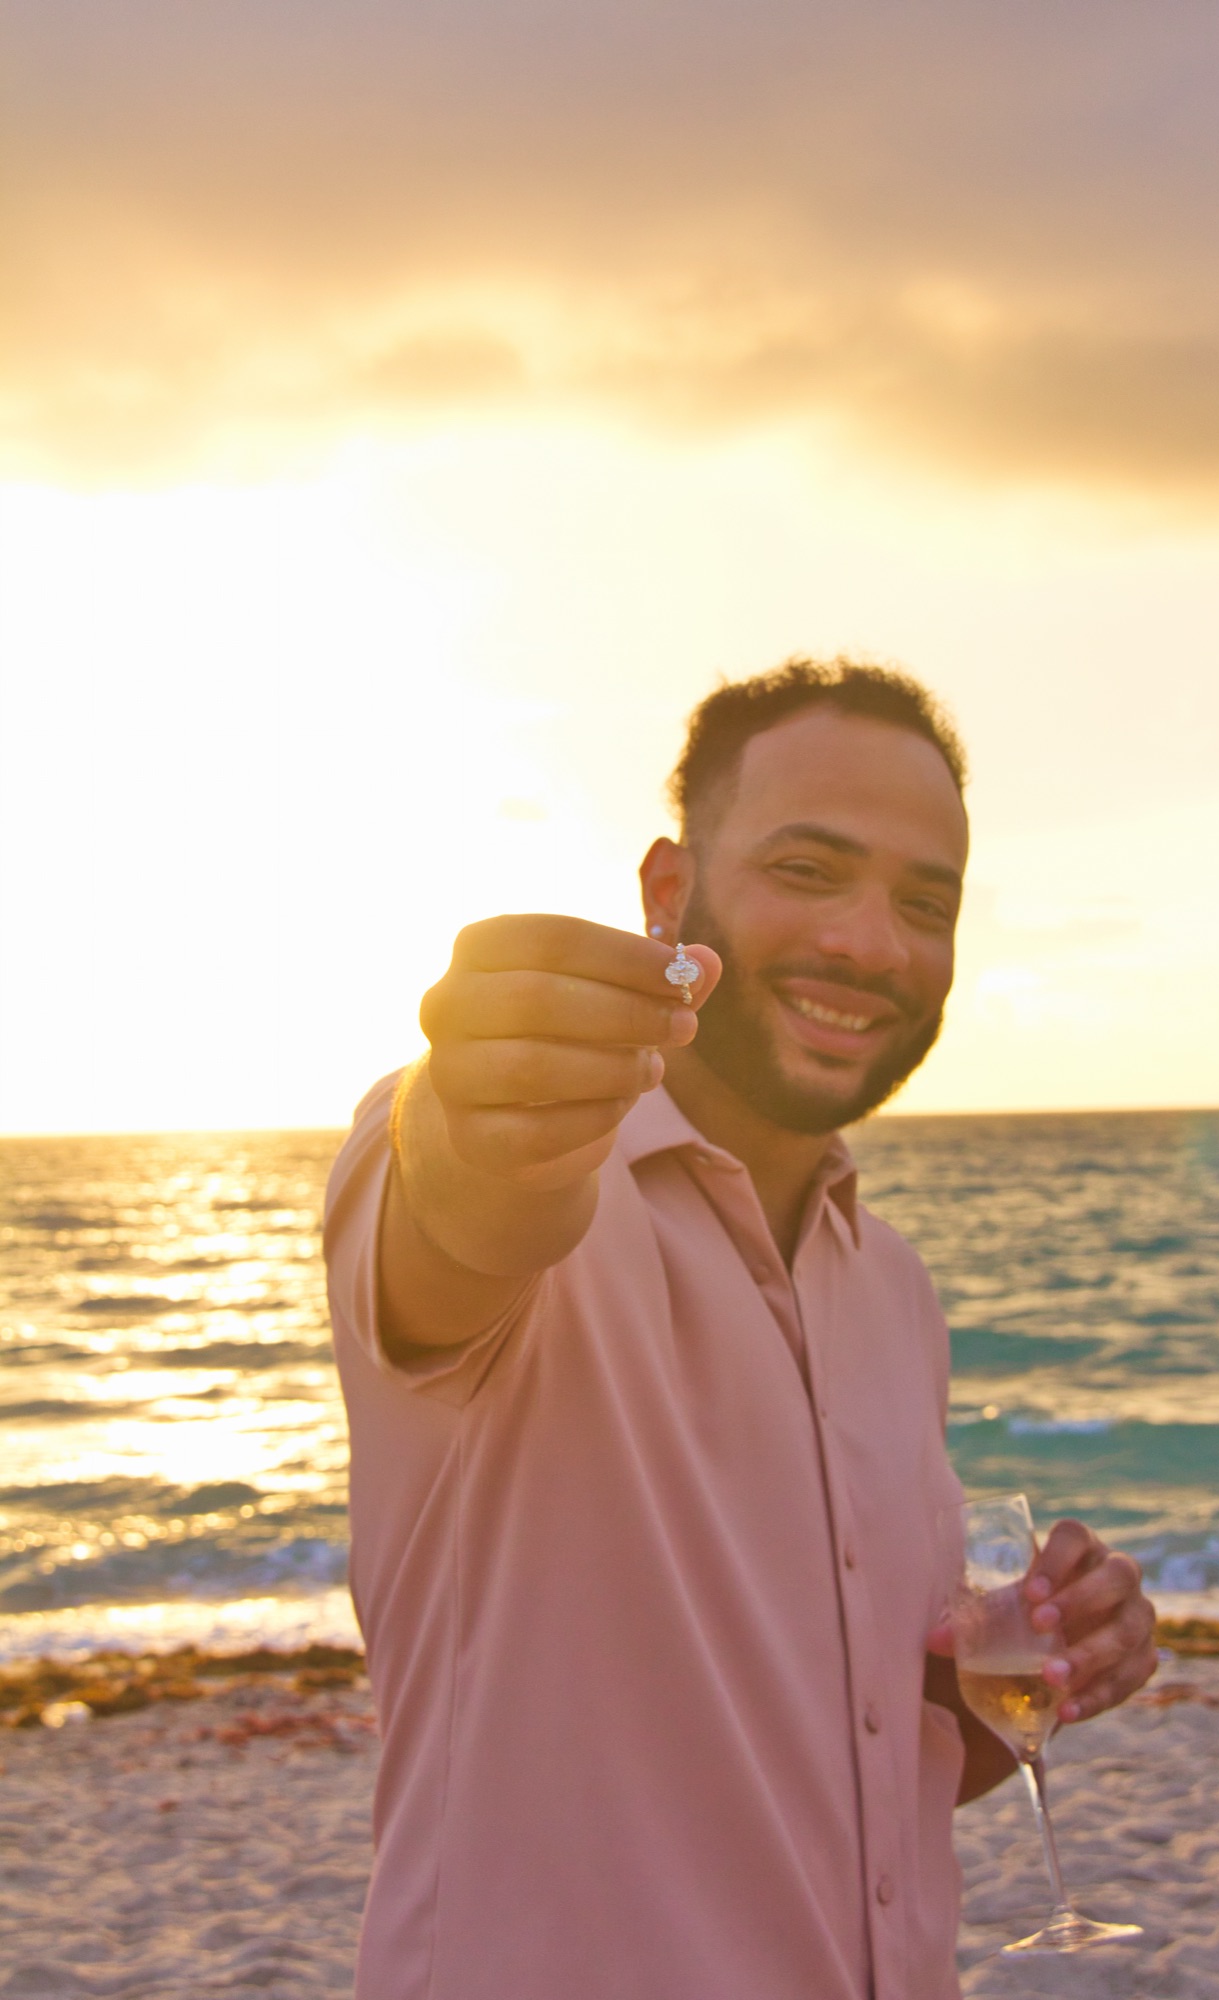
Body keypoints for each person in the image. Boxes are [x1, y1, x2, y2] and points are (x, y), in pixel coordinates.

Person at [324, 657, 1156, 2000]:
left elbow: (859, 1751)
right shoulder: (498, 1176)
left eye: (922, 901)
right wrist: (479, 1099)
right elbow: (459, 1209)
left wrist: (1022, 1669)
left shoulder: (892, 1290)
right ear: (668, 894)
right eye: (810, 870)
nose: (871, 944)